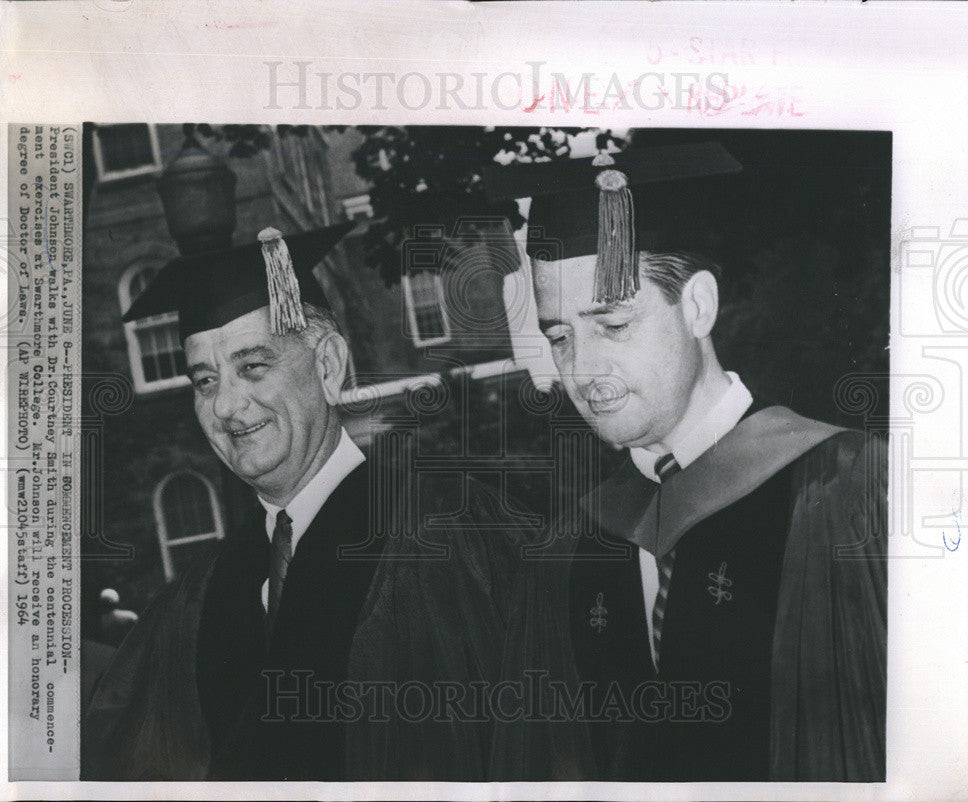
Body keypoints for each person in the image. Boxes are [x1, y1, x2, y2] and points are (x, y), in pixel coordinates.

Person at [485, 143, 887, 781]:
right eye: (560, 336)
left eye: (613, 325)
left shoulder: (848, 488)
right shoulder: (569, 547)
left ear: (698, 306)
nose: (582, 370)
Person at [82, 224, 536, 780]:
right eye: (204, 380)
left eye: (253, 367)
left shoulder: (448, 538)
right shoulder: (200, 595)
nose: (225, 404)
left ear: (327, 365)